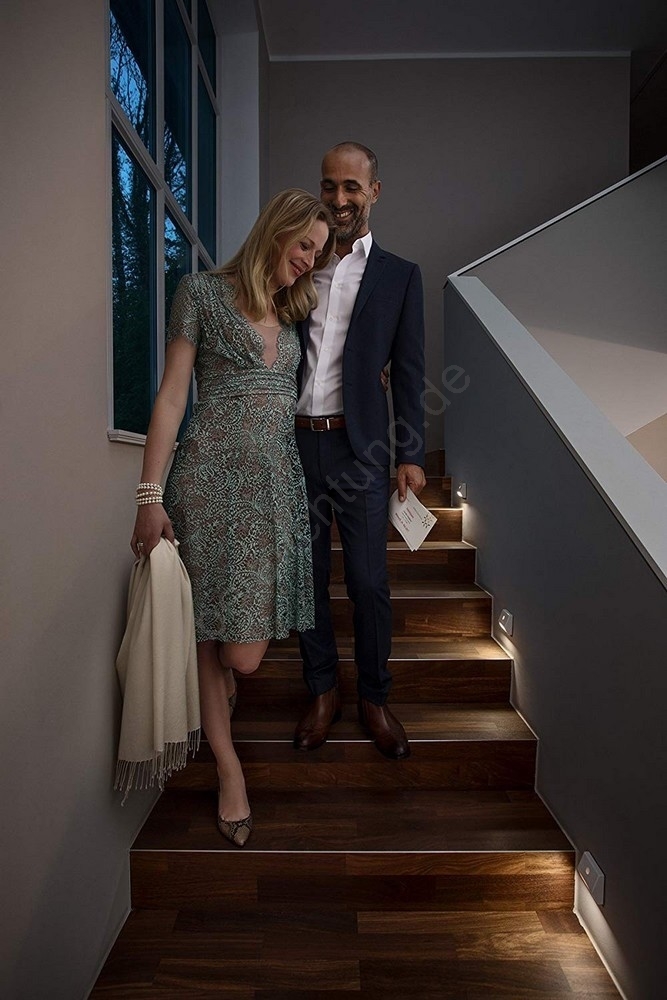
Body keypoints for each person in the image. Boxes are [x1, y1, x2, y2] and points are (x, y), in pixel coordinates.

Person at [130, 189, 335, 846]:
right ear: (276, 230)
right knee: (206, 633)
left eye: (317, 253)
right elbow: (171, 398)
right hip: (205, 488)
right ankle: (228, 768)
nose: (308, 261)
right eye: (304, 245)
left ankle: (220, 696)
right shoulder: (200, 293)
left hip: (272, 496)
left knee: (242, 658)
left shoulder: (295, 312)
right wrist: (149, 496)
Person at [293, 142, 426, 760]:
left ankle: (374, 697)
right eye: (329, 186)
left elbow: (410, 373)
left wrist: (411, 454)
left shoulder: (400, 275)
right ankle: (322, 691)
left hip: (361, 449)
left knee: (368, 582)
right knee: (307, 579)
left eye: (351, 186)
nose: (339, 198)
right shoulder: (299, 264)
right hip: (295, 445)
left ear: (374, 191)